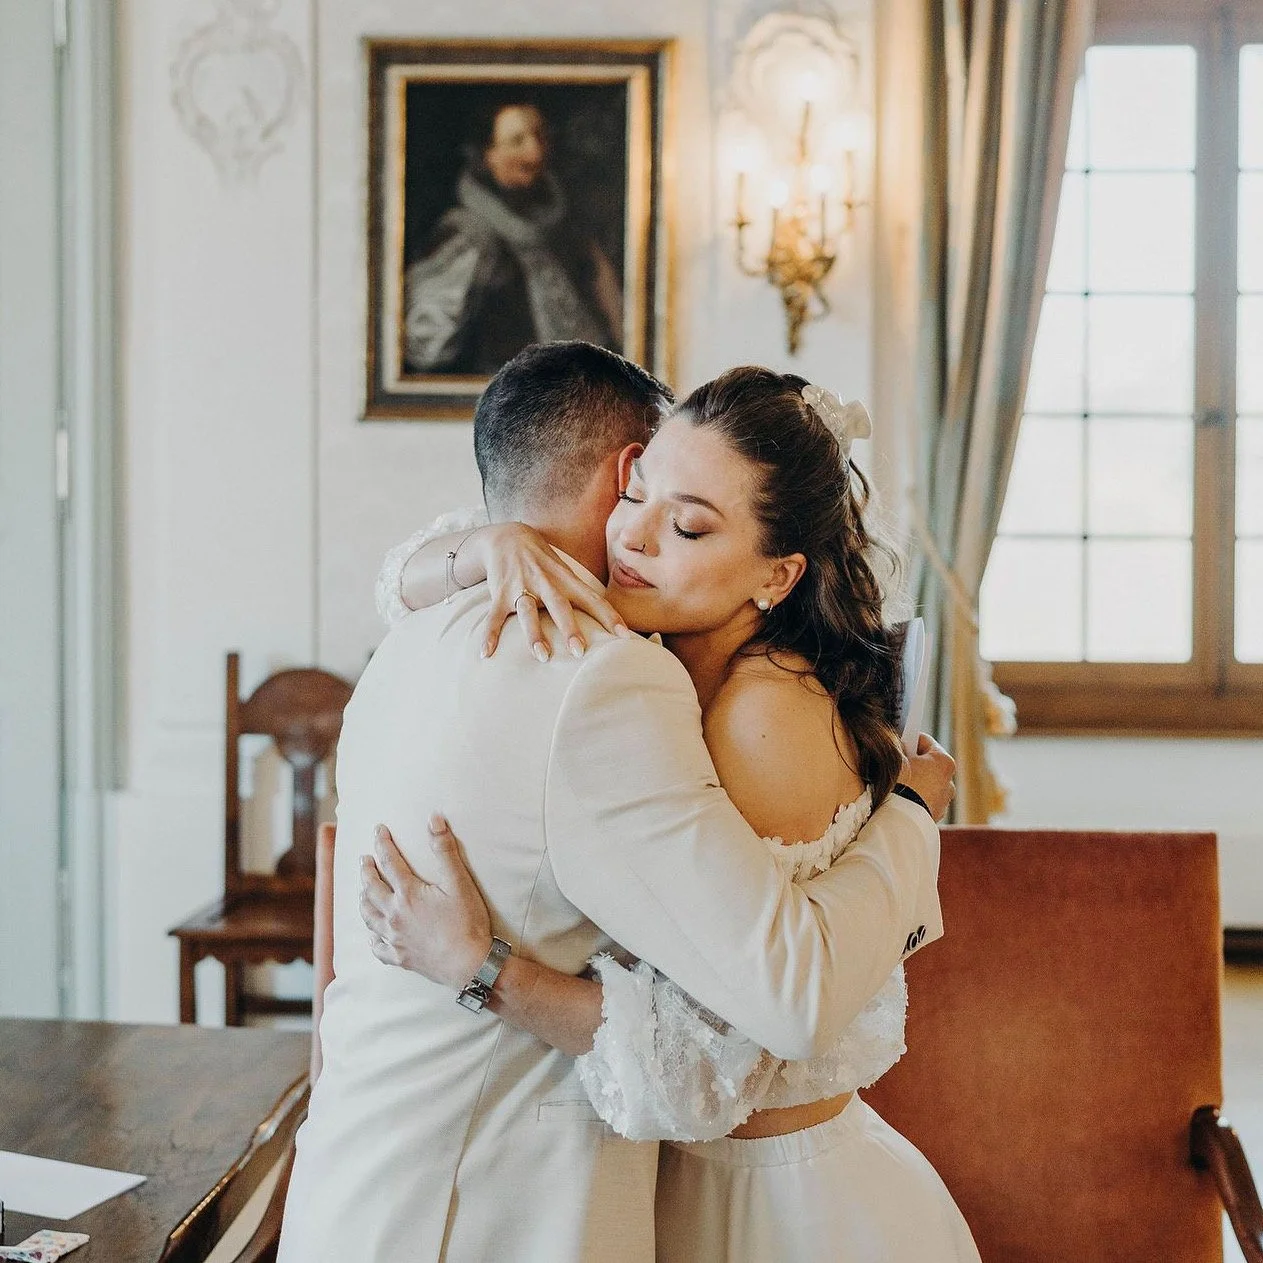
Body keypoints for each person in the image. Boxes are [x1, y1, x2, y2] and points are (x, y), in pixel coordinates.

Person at [278, 341, 949, 1262]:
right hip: (475, 1217)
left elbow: (764, 1016)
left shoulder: (423, 633)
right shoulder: (600, 671)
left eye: (690, 524)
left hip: (362, 1194)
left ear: (776, 572)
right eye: (638, 496)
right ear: (626, 468)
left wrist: (911, 813)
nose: (637, 536)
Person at [403, 101, 623, 374]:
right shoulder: (470, 233)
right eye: (517, 141)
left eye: (540, 137)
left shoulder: (565, 225)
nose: (535, 152)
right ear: (488, 155)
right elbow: (426, 346)